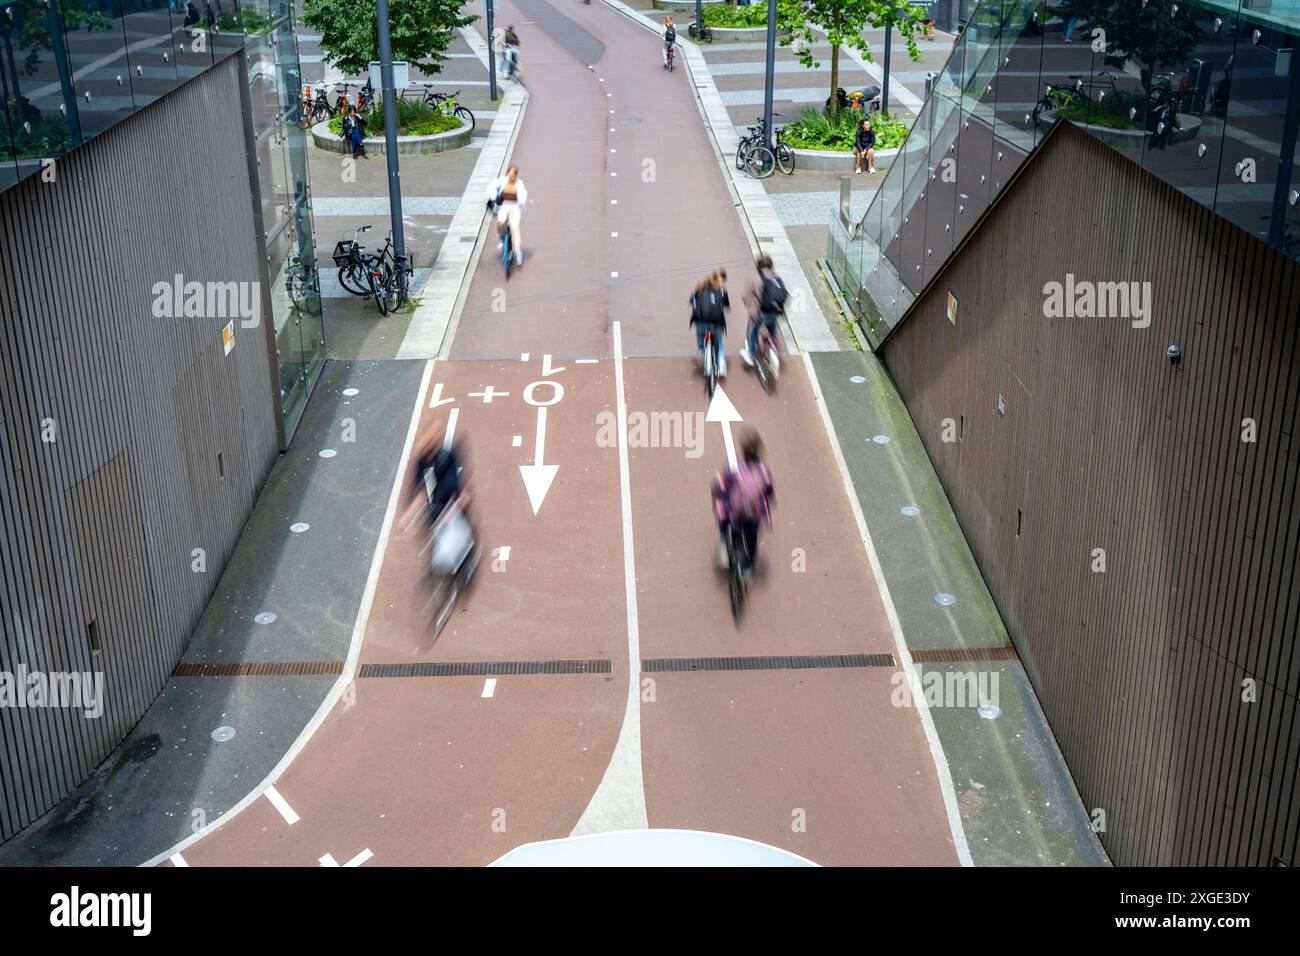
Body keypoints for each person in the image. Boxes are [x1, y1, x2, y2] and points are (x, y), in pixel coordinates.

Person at [711, 430, 775, 574]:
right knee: (752, 539)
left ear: (743, 451)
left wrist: (716, 496)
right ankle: (749, 567)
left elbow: (720, 486)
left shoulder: (733, 469)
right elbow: (769, 490)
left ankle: (723, 545)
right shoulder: (764, 472)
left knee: (722, 513)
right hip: (753, 514)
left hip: (734, 513)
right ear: (759, 451)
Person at [741, 256, 786, 367]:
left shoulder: (755, 278)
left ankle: (750, 354)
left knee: (754, 331)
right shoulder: (776, 277)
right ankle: (774, 344)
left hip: (760, 312)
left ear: (758, 266)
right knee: (772, 327)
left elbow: (745, 296)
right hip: (775, 311)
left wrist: (749, 307)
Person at [690, 268, 729, 378]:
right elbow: (726, 305)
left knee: (699, 332)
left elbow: (692, 300)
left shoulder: (700, 287)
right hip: (716, 323)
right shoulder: (722, 291)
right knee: (719, 343)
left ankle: (702, 346)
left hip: (701, 322)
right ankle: (721, 365)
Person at [486, 164, 527, 265]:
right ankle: (501, 238)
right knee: (501, 222)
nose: (511, 176)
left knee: (515, 227)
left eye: (514, 174)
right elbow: (491, 187)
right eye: (510, 174)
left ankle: (517, 252)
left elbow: (522, 193)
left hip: (514, 207)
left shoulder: (519, 183)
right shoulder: (501, 181)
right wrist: (494, 197)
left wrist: (522, 201)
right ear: (507, 173)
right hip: (503, 205)